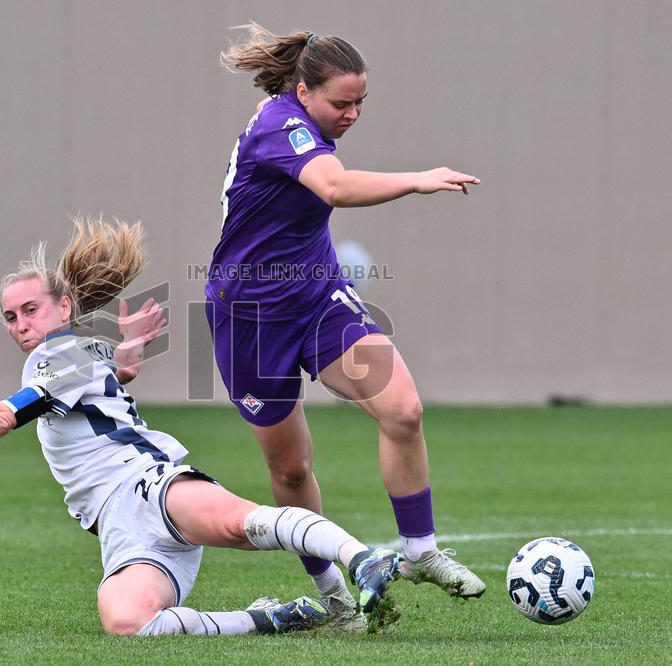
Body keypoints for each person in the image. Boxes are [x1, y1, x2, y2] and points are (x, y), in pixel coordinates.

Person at [0, 217, 402, 636]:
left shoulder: (56, 357)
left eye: (31, 310)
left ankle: (361, 561)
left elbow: (2, 417)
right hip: (120, 528)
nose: (20, 324)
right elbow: (118, 369)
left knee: (243, 524)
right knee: (127, 623)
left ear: (63, 308)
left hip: (146, 486)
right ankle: (272, 619)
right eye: (11, 317)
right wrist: (131, 344)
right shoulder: (77, 352)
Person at [206, 23, 487, 624]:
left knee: (403, 410)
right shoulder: (279, 126)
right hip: (249, 315)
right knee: (290, 467)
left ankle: (421, 552)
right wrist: (417, 179)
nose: (353, 114)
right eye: (342, 103)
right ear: (303, 92)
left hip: (317, 297)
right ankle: (334, 595)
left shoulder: (303, 123)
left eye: (361, 102)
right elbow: (332, 187)